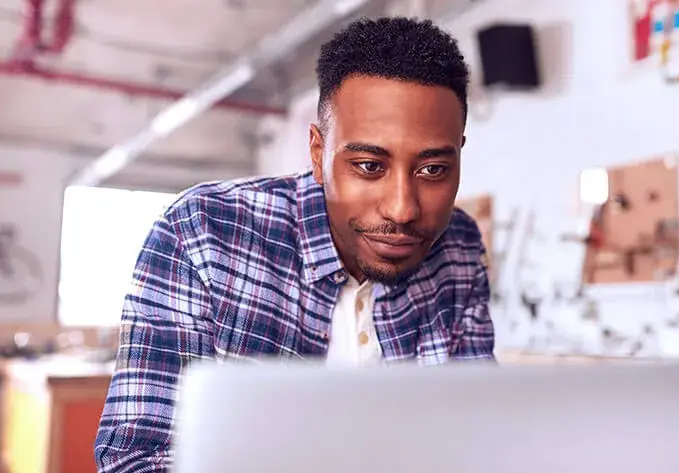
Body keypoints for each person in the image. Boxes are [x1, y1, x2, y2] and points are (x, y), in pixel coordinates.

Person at [94, 16, 495, 473]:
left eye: (432, 171)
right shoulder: (202, 232)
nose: (402, 210)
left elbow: (476, 439)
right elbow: (137, 460)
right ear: (318, 151)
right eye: (368, 165)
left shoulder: (458, 246)